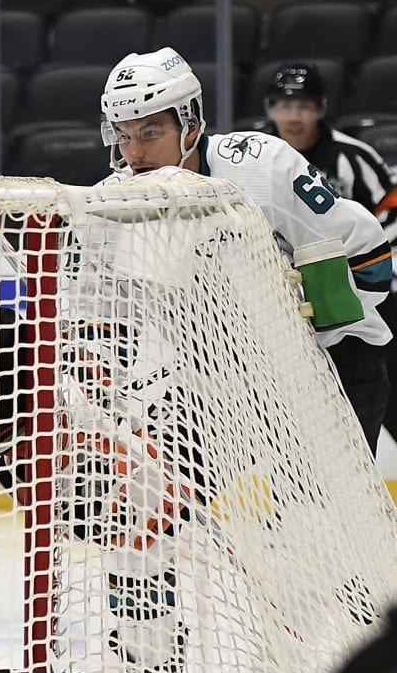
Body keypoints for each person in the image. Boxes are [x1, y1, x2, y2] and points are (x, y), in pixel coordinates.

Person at [99, 47, 393, 452]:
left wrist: (311, 329)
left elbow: (369, 258)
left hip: (334, 370)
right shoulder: (113, 203)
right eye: (123, 135)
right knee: (157, 496)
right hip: (228, 383)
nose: (134, 154)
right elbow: (99, 311)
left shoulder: (260, 167)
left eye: (150, 133)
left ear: (192, 124)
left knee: (319, 512)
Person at [263, 61, 397, 442]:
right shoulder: (250, 159)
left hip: (358, 303)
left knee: (374, 390)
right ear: (271, 109)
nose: (294, 116)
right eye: (285, 106)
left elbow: (390, 218)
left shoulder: (354, 158)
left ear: (320, 108)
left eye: (304, 106)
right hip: (280, 310)